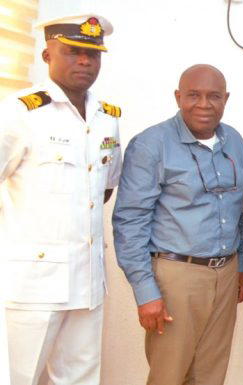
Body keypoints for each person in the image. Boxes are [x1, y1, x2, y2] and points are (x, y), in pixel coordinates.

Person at [0, 14, 120, 385]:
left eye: (93, 54)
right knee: (18, 377)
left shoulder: (106, 117)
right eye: (72, 51)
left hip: (87, 280)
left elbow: (103, 187)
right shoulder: (20, 112)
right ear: (47, 55)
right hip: (33, 282)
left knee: (80, 378)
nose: (85, 61)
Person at [113, 64, 243, 385]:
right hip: (176, 277)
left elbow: (237, 212)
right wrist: (146, 292)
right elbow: (130, 223)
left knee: (210, 375)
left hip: (225, 274)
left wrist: (240, 267)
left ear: (226, 99)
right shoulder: (151, 144)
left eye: (214, 96)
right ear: (178, 97)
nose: (204, 104)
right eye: (193, 95)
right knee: (169, 376)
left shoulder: (235, 142)